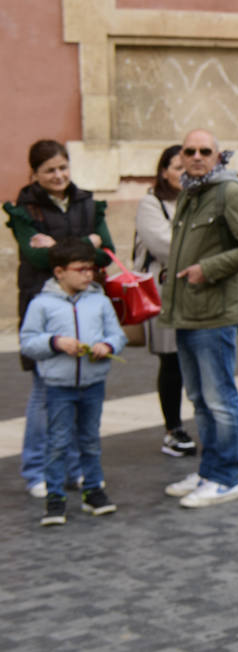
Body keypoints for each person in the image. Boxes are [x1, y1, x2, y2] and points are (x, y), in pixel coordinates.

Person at [160, 130, 238, 509]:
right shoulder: (192, 192)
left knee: (219, 399)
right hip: (188, 313)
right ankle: (209, 470)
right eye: (189, 151)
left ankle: (226, 478)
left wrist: (207, 269)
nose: (196, 157)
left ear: (219, 157)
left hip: (214, 314)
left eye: (205, 151)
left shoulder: (229, 192)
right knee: (200, 400)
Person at [5, 139, 114, 498]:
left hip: (84, 304)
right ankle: (36, 469)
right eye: (49, 170)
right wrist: (88, 243)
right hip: (44, 303)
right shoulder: (25, 207)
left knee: (80, 395)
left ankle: (72, 470)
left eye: (63, 167)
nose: (58, 175)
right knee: (44, 394)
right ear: (34, 173)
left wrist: (56, 247)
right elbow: (36, 260)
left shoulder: (86, 200)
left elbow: (107, 251)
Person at [19, 237, 124, 525]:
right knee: (57, 441)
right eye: (80, 269)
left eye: (90, 269)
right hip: (58, 386)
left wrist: (108, 346)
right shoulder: (41, 304)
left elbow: (117, 335)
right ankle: (55, 498)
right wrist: (55, 342)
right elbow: (28, 342)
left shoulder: (99, 300)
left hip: (93, 383)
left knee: (90, 440)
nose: (88, 275)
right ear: (59, 272)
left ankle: (93, 491)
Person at [132, 143, 197, 458]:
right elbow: (164, 245)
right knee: (171, 362)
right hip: (165, 292)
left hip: (198, 291)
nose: (184, 174)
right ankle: (173, 429)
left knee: (200, 360)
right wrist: (207, 252)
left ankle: (211, 424)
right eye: (177, 168)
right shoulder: (151, 203)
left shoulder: (198, 199)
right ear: (163, 172)